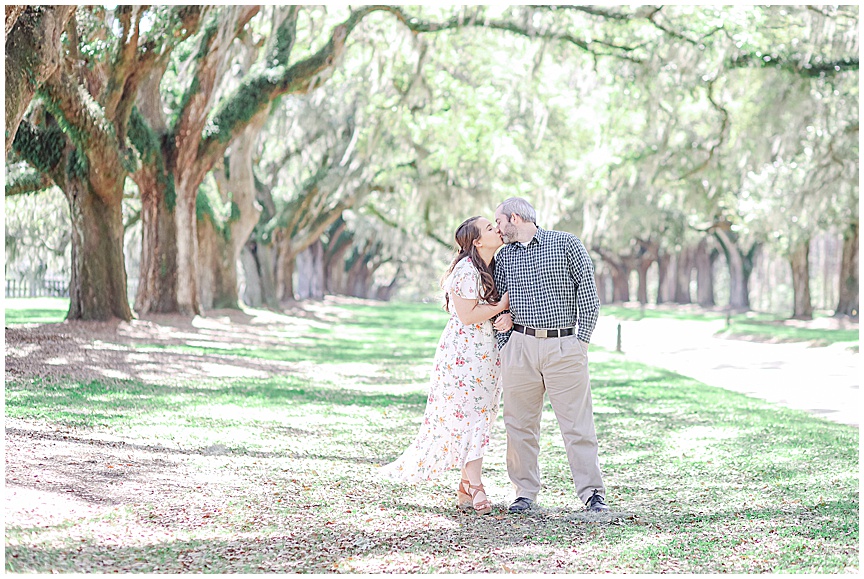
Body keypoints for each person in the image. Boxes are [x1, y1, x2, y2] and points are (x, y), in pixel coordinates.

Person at [381, 216, 509, 516]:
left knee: (482, 416)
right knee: (470, 417)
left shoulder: (491, 267)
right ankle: (476, 487)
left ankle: (466, 488)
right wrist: (501, 306)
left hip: (486, 354)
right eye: (490, 228)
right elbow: (467, 316)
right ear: (477, 241)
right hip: (464, 356)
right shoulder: (465, 270)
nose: (497, 229)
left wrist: (506, 314)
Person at [491, 197, 610, 513]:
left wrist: (579, 344)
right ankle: (524, 492)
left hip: (563, 346)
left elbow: (589, 297)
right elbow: (498, 305)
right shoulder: (504, 258)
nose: (497, 229)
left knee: (577, 425)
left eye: (499, 221)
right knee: (519, 425)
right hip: (520, 348)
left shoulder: (566, 244)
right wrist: (505, 340)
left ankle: (592, 493)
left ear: (515, 218)